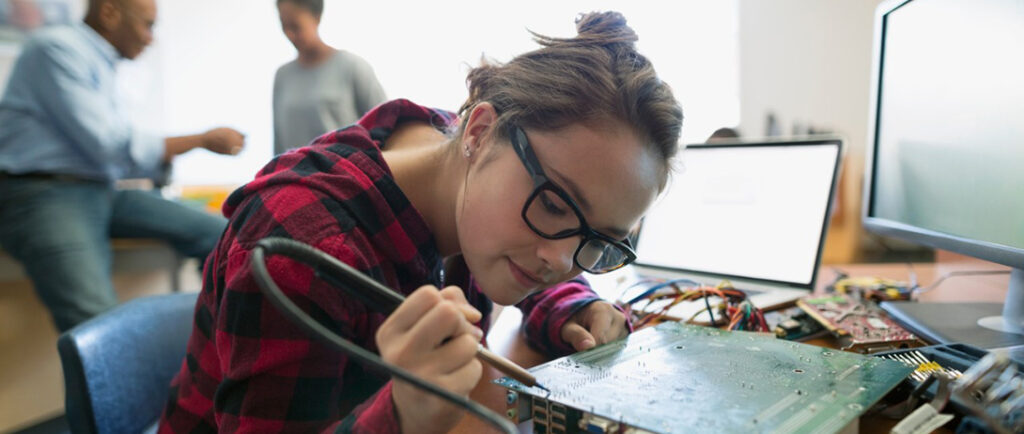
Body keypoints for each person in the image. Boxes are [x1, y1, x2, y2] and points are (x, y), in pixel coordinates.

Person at [159, 11, 682, 434]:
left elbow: (532, 263)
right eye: (553, 206)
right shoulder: (302, 249)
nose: (563, 261)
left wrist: (575, 302)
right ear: (479, 132)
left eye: (600, 241)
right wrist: (402, 414)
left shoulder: (459, 167)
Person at [0, 0, 246, 332]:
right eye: (147, 25)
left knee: (225, 236)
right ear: (109, 12)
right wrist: (200, 140)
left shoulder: (101, 62)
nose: (150, 38)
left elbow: (110, 157)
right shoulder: (56, 49)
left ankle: (220, 350)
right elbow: (110, 145)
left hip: (99, 189)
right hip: (43, 195)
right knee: (100, 330)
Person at [273, 0, 386, 155]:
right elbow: (278, 143)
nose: (289, 34)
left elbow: (385, 128)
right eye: (284, 25)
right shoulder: (283, 76)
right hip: (294, 176)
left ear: (316, 17)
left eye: (295, 26)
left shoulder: (352, 66)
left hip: (345, 174)